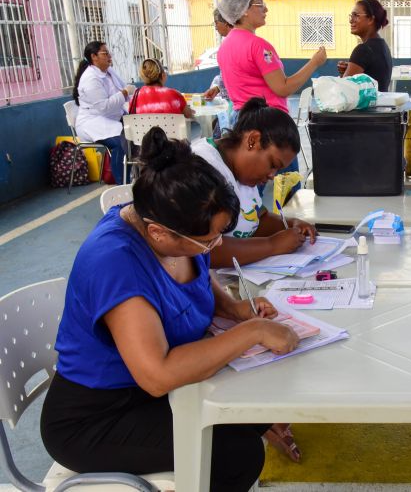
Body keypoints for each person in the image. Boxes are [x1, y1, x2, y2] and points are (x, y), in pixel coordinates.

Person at [40, 127, 300, 492]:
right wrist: (251, 332)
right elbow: (157, 374)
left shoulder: (164, 220)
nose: (216, 248)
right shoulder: (115, 263)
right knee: (235, 453)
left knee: (248, 411)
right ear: (159, 234)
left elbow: (195, 270)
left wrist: (232, 309)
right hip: (98, 418)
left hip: (145, 395)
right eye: (208, 241)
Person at [192, 97, 317, 269]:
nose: (272, 175)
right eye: (273, 165)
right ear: (253, 140)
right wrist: (272, 245)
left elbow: (256, 218)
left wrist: (290, 224)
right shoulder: (202, 166)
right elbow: (204, 250)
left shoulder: (244, 174)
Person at [216, 0, 326, 115]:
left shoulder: (224, 46)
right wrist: (315, 62)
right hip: (266, 121)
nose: (266, 9)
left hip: (241, 119)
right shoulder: (258, 45)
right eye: (259, 4)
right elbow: (283, 88)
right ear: (244, 10)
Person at [73, 41, 136, 184]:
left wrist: (132, 95)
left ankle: (138, 177)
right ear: (94, 57)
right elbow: (104, 107)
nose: (109, 56)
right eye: (105, 53)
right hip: (93, 122)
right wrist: (125, 93)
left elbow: (123, 88)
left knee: (139, 130)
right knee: (119, 143)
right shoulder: (90, 79)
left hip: (113, 116)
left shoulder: (109, 71)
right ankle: (123, 186)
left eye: (108, 53)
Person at [336, 0, 392, 91]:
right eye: (351, 16)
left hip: (367, 106)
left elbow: (344, 92)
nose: (351, 20)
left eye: (356, 15)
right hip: (381, 104)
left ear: (370, 19)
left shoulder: (363, 50)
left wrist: (343, 76)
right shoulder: (382, 45)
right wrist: (346, 72)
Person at [203, 9, 234, 103]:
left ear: (225, 22)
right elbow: (225, 75)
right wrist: (217, 88)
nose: (216, 27)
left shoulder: (232, 44)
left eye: (216, 23)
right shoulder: (227, 43)